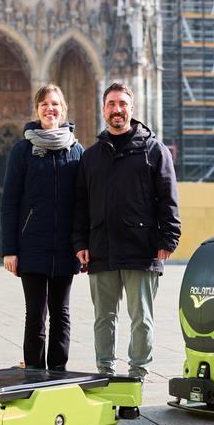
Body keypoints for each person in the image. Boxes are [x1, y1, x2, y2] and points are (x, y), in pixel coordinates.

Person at [72, 82, 181, 380]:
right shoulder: (91, 156)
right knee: (103, 319)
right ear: (103, 108)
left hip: (141, 248)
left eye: (122, 104)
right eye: (111, 104)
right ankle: (105, 374)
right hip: (101, 247)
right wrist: (80, 241)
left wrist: (169, 237)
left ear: (132, 109)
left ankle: (136, 377)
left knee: (141, 319)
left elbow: (168, 196)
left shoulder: (153, 150)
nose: (117, 110)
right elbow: (80, 204)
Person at [1, 84, 83, 371]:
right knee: (35, 315)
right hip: (32, 245)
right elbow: (9, 201)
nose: (50, 109)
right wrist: (10, 249)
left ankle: (58, 372)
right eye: (45, 104)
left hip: (64, 247)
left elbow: (81, 204)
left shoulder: (76, 151)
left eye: (55, 104)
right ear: (36, 110)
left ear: (64, 109)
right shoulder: (22, 150)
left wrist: (83, 246)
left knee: (61, 314)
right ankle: (35, 374)